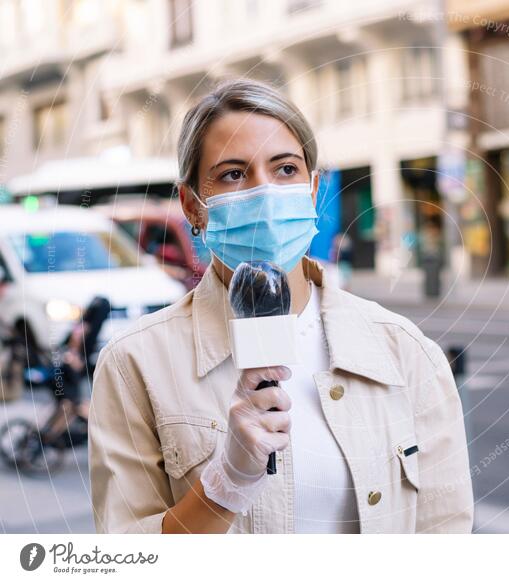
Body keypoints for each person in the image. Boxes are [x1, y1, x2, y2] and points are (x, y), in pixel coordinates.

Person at [88, 79, 474, 534]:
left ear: (312, 191)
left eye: (285, 169)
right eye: (233, 174)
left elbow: (444, 533)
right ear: (193, 206)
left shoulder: (406, 351)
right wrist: (225, 484)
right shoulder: (135, 363)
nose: (265, 193)